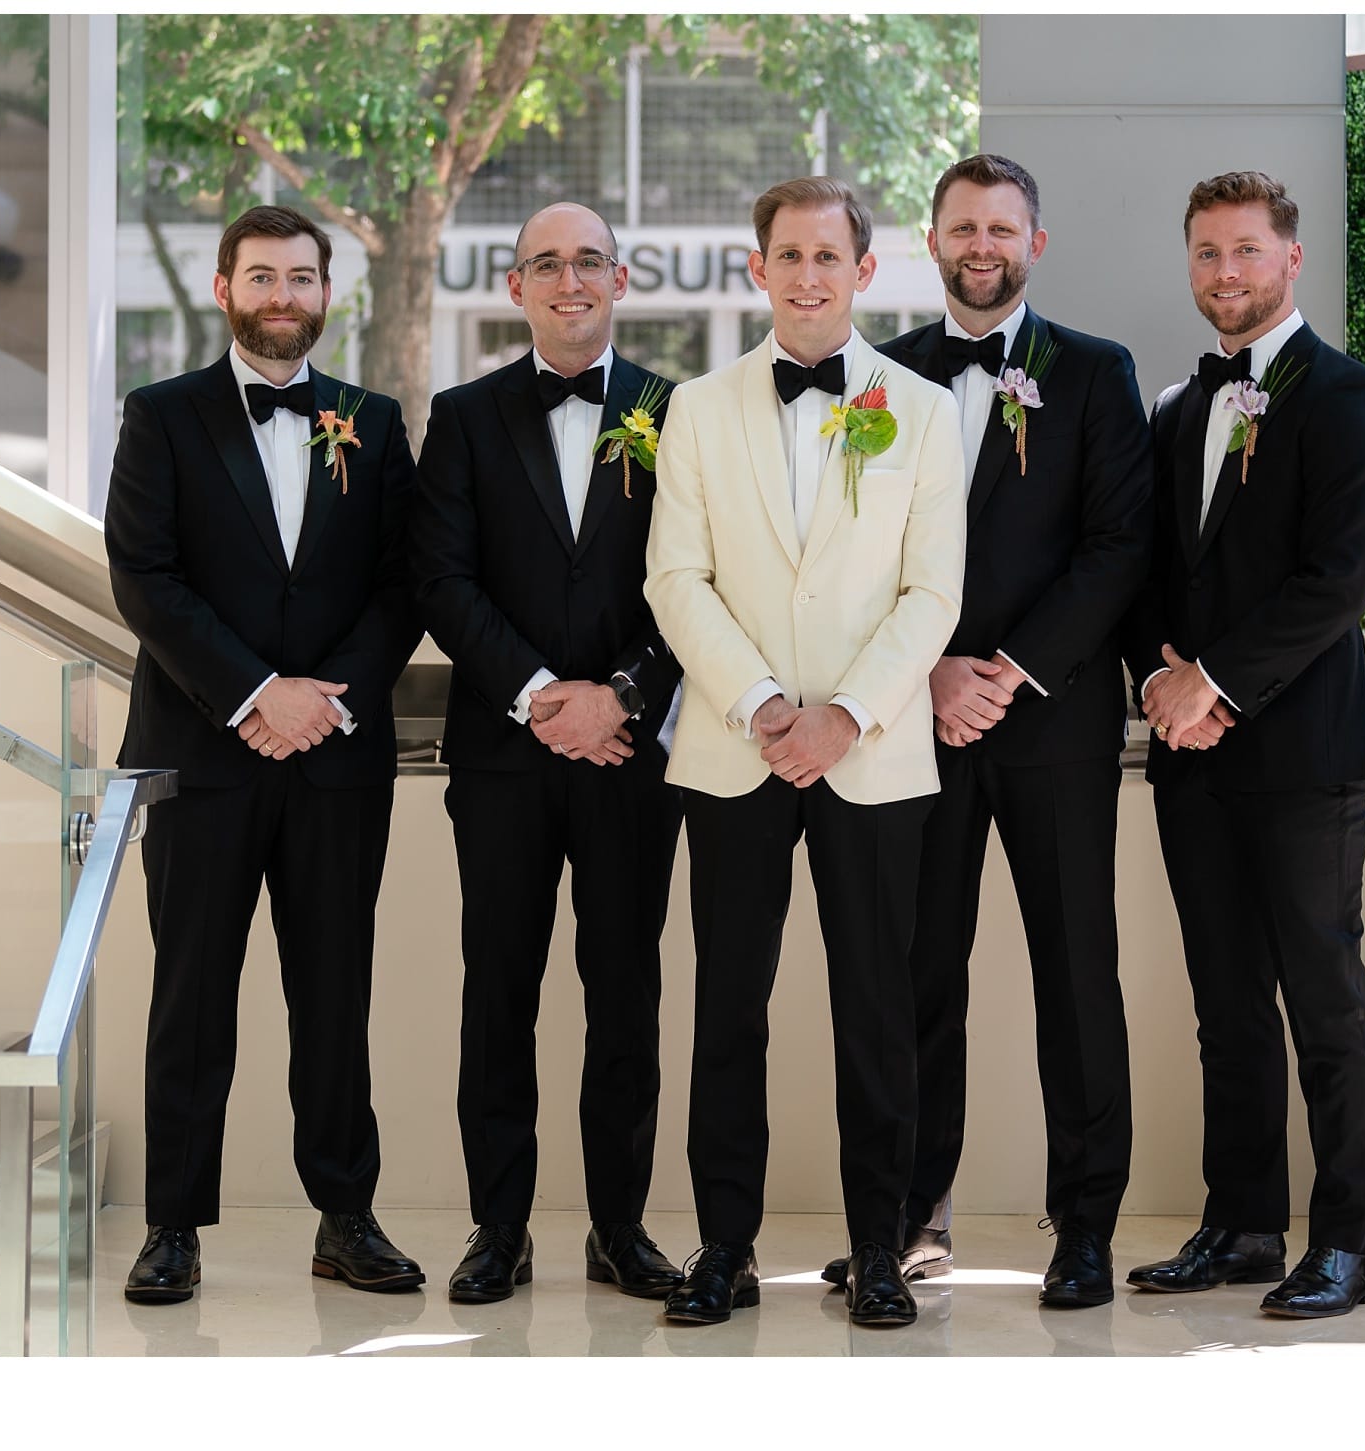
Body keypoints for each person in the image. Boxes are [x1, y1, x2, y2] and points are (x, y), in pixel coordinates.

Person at [819, 154, 1155, 1308]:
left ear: (1033, 242)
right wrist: (925, 675)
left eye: (1000, 227)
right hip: (913, 724)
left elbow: (1117, 549)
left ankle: (1085, 1227)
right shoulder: (880, 377)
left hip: (1049, 724)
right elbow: (855, 546)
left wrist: (1003, 672)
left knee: (1075, 972)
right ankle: (907, 1221)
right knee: (915, 975)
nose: (980, 244)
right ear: (932, 239)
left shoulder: (1098, 374)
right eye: (961, 226)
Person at [644, 176, 965, 1329]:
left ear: (864, 271)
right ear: (757, 268)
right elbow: (673, 579)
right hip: (737, 753)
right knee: (726, 1003)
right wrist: (765, 704)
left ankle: (878, 1244)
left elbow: (933, 591)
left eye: (828, 255)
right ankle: (721, 1245)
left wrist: (845, 716)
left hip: (872, 757)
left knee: (876, 1004)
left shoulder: (921, 411)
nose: (808, 274)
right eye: (787, 254)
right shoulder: (695, 407)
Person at [105, 204, 424, 1304]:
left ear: (327, 292)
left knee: (334, 988)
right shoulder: (160, 416)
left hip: (334, 758)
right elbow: (145, 578)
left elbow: (401, 585)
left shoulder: (373, 422)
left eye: (300, 276)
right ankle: (172, 1225)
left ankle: (345, 1214)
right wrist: (253, 694)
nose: (281, 295)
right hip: (203, 753)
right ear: (222, 286)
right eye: (261, 276)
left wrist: (320, 704)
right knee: (192, 990)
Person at [1123, 171, 1365, 1318]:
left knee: (1321, 996)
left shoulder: (1345, 396)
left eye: (1243, 250)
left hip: (1302, 751)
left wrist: (1217, 684)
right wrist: (1154, 678)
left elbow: (1336, 579)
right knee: (1222, 999)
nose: (1222, 273)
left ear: (1289, 259)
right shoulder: (1176, 410)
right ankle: (1239, 1222)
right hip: (1187, 756)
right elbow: (1140, 571)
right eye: (1203, 254)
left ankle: (1343, 1242)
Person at [412, 202, 686, 1305]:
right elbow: (441, 579)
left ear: (619, 278)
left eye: (587, 261)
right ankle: (499, 1227)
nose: (567, 280)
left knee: (626, 993)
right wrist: (538, 696)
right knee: (500, 992)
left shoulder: (681, 412)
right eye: (545, 264)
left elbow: (704, 575)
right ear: (515, 285)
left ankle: (619, 1228)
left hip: (634, 755)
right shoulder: (465, 415)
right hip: (504, 758)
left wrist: (619, 695)